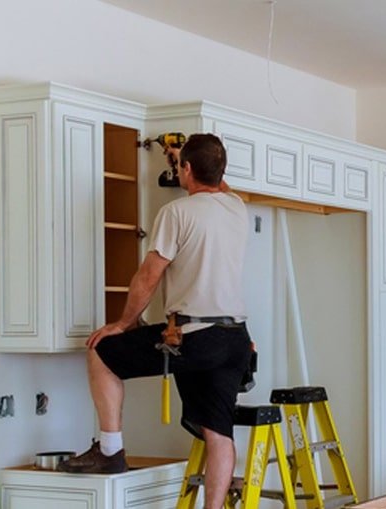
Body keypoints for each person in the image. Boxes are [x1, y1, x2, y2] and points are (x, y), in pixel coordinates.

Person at [58, 133, 251, 509]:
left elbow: (149, 276)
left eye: (181, 165)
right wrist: (188, 157)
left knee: (102, 352)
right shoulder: (235, 206)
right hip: (235, 338)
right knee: (218, 432)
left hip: (195, 335)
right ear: (222, 170)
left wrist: (123, 323)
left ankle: (111, 451)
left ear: (187, 169)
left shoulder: (177, 213)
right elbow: (217, 182)